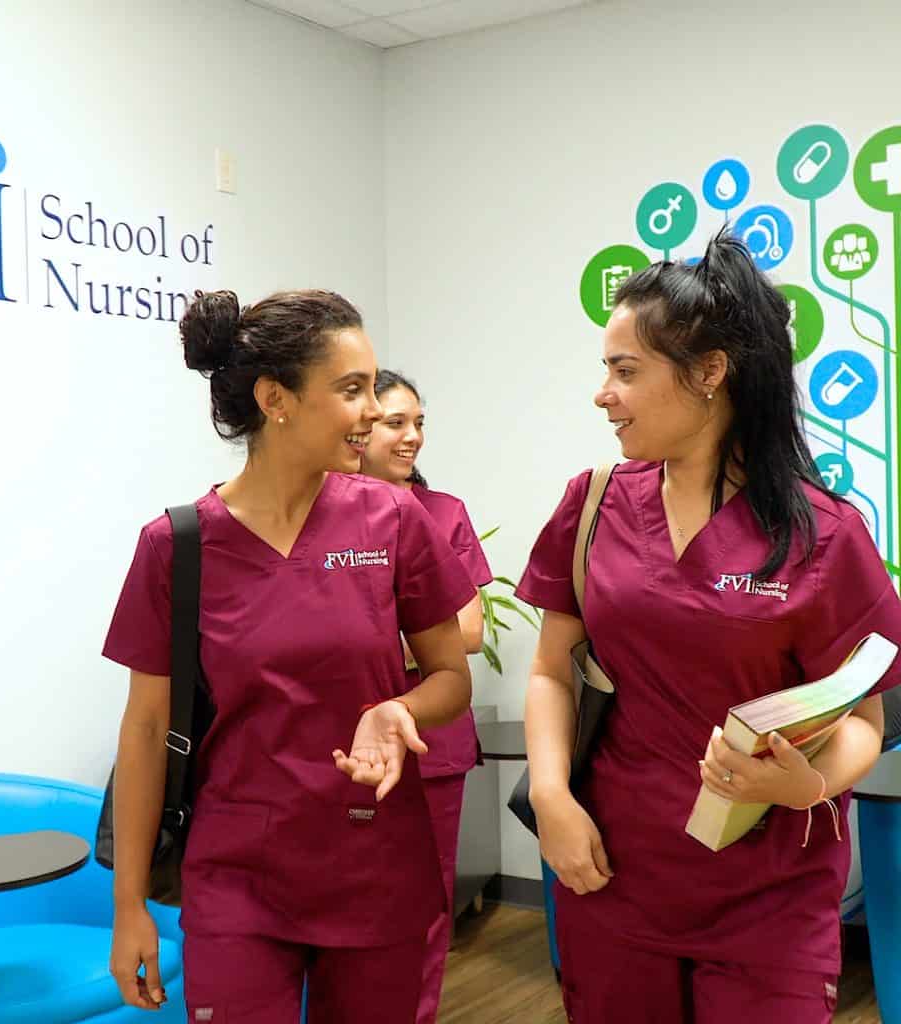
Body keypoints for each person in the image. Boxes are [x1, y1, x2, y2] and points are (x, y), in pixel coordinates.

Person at [517, 229, 901, 1023]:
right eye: (606, 371)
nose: (603, 393)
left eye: (625, 372)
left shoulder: (820, 534)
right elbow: (553, 671)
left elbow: (867, 714)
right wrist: (551, 794)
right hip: (612, 877)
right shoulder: (591, 506)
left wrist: (814, 782)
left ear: (709, 374)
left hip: (770, 897)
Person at [103, 289, 476, 1023]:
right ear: (276, 399)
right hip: (239, 879)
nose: (374, 410)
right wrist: (128, 910)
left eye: (373, 387)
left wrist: (397, 709)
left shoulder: (394, 519)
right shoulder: (176, 548)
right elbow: (145, 732)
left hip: (375, 867)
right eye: (352, 390)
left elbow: (451, 677)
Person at [359, 369, 492, 1023]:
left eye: (419, 422)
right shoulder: (319, 514)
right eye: (395, 423)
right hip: (341, 744)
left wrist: (372, 640)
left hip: (431, 743)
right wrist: (408, 635)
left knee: (427, 904)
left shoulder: (444, 514)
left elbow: (467, 630)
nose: (412, 437)